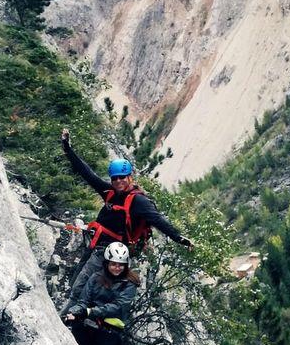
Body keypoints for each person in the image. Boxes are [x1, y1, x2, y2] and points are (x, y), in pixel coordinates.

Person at [60, 127, 192, 303]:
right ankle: (73, 310)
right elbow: (87, 173)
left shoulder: (138, 201)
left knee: (81, 286)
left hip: (111, 252)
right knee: (78, 279)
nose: (118, 181)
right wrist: (68, 149)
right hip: (97, 244)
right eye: (115, 178)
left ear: (130, 177)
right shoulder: (110, 192)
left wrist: (179, 238)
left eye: (122, 177)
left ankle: (70, 314)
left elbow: (157, 220)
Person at [63, 242, 138, 345]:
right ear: (107, 263)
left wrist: (89, 312)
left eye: (121, 265)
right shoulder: (96, 278)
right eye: (113, 264)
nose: (117, 268)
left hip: (110, 332)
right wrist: (74, 312)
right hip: (89, 326)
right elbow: (83, 300)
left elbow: (117, 307)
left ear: (126, 265)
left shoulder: (129, 284)